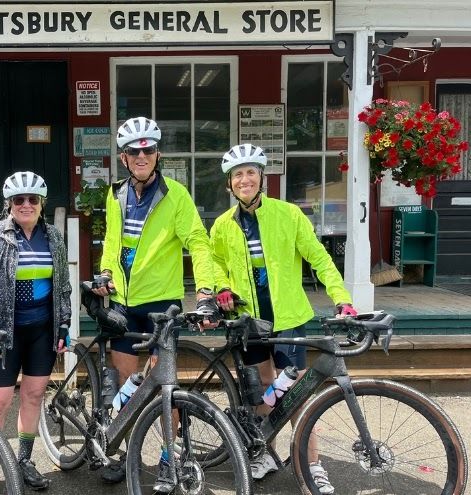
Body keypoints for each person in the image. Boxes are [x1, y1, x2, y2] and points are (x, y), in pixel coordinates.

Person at [210, 143, 358, 494]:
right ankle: (264, 452)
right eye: (237, 175)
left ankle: (312, 462)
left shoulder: (289, 215)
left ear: (262, 178)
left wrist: (342, 298)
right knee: (263, 388)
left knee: (295, 393)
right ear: (229, 185)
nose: (244, 180)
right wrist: (222, 287)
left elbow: (319, 259)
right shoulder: (221, 226)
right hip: (249, 320)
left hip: (288, 317)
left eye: (250, 173)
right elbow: (214, 264)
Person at [91, 116, 218, 488]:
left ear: (157, 153)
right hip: (122, 304)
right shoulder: (114, 194)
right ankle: (124, 452)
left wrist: (206, 291)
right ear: (124, 158)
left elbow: (198, 240)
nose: (142, 155)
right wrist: (104, 275)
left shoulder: (176, 195)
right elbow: (112, 244)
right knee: (128, 386)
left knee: (166, 389)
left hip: (162, 304)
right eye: (134, 150)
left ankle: (167, 459)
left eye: (148, 149)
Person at [0, 171, 72, 491]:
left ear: (42, 203)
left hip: (41, 332)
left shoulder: (53, 236)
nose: (26, 205)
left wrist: (64, 324)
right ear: (9, 203)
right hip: (3, 334)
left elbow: (63, 286)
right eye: (18, 199)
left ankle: (24, 460)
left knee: (33, 396)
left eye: (32, 199)